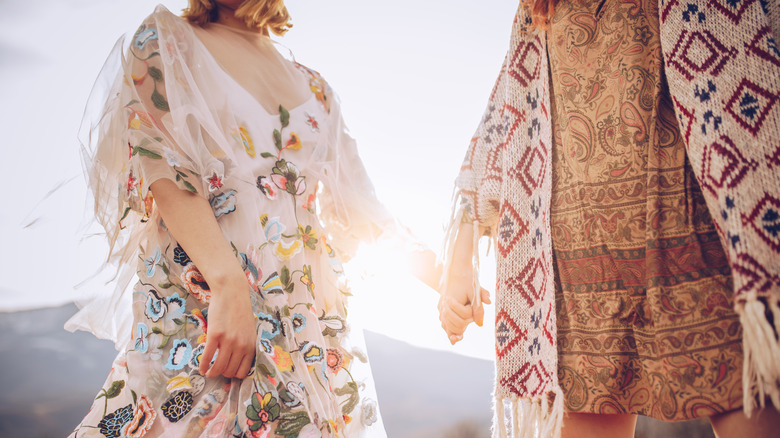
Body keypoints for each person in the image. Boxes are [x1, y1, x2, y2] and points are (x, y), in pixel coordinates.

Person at [67, 1, 437, 436]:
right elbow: (163, 167)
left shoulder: (316, 89)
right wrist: (228, 285)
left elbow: (361, 209)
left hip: (307, 334)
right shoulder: (168, 43)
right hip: (208, 314)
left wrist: (445, 277)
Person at [438, 0, 780, 437]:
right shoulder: (539, 8)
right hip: (579, 268)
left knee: (745, 398)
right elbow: (503, 122)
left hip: (695, 236)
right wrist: (460, 255)